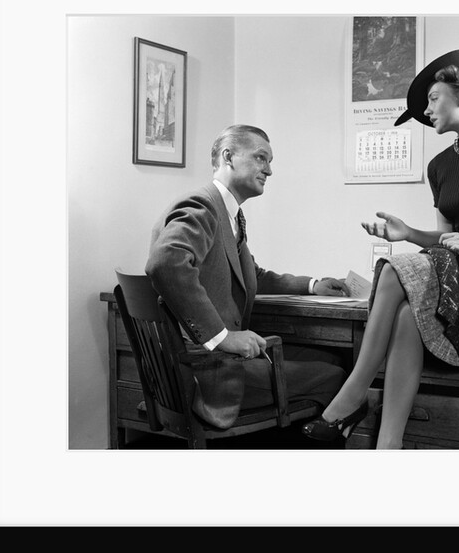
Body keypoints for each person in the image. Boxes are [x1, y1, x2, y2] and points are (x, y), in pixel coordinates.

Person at [302, 48, 459, 449]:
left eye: (433, 98)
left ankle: (352, 396)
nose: (427, 110)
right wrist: (409, 233)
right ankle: (389, 445)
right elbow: (447, 243)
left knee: (392, 269)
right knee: (406, 315)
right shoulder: (439, 166)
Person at [146, 123, 350, 433]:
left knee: (332, 358)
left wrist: (312, 285)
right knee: (339, 375)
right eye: (260, 158)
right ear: (228, 157)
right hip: (208, 373)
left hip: (209, 363)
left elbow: (250, 275)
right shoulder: (203, 206)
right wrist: (222, 337)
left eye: (269, 161)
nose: (269, 170)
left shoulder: (229, 213)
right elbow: (165, 262)